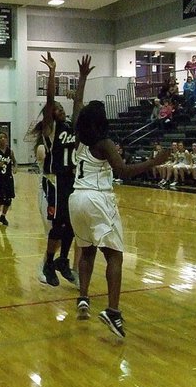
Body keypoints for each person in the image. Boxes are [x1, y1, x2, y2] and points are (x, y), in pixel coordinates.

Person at [70, 100, 170, 338]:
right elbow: (123, 171)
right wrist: (155, 161)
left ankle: (83, 298)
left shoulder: (78, 138)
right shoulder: (104, 144)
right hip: (97, 199)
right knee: (114, 255)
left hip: (76, 198)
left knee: (86, 251)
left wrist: (82, 79)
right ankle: (113, 312)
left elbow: (76, 109)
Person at [31, 52, 93, 287]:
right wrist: (52, 72)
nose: (60, 109)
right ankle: (48, 262)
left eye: (60, 107)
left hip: (71, 180)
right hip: (54, 181)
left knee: (72, 224)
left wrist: (82, 77)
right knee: (58, 225)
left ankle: (63, 260)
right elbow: (49, 100)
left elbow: (77, 104)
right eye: (56, 108)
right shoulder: (51, 129)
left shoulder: (71, 126)